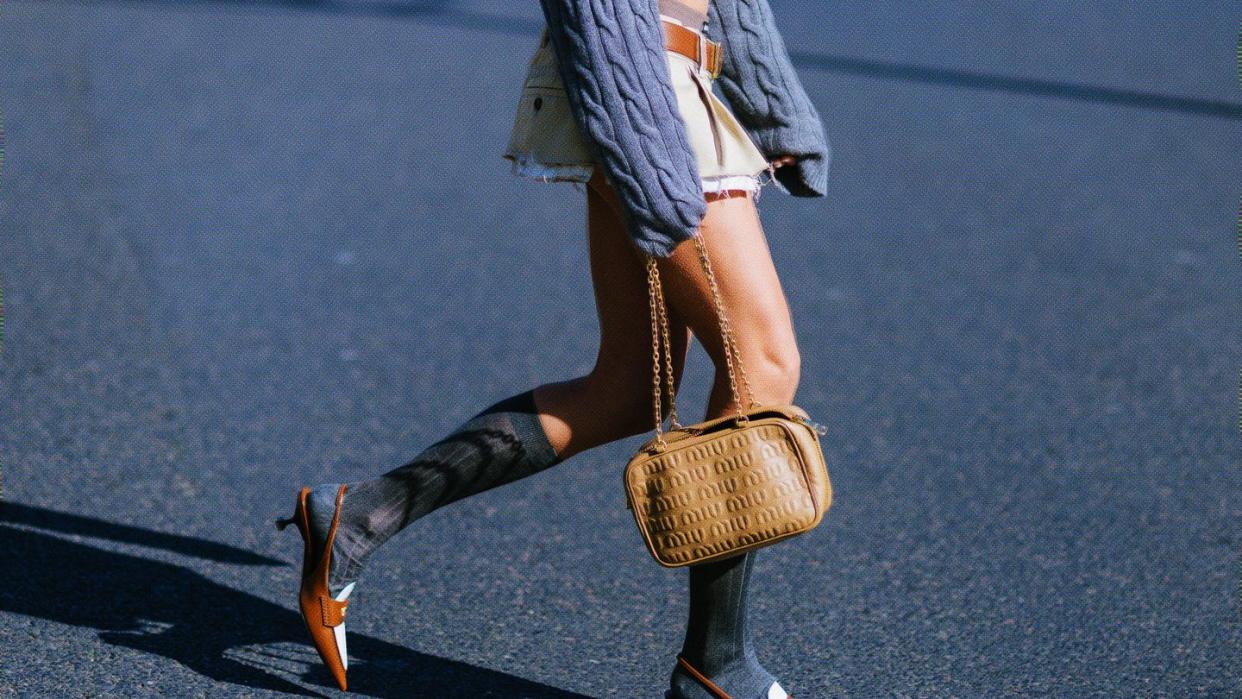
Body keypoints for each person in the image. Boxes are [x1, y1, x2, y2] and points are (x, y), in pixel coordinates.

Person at [276, 0, 829, 696]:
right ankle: (716, 666)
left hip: (665, 79)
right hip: (639, 82)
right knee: (764, 362)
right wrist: (641, 138)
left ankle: (361, 513)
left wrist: (772, 101)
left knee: (630, 388)